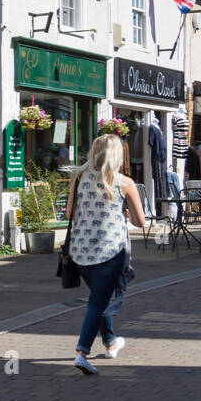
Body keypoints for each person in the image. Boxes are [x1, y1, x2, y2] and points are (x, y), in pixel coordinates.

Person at [65, 133, 145, 375]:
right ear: (116, 155)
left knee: (99, 298)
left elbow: (70, 213)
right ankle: (82, 353)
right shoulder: (125, 183)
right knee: (97, 302)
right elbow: (140, 221)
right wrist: (123, 213)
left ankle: (110, 342)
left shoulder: (78, 178)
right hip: (111, 252)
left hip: (80, 252)